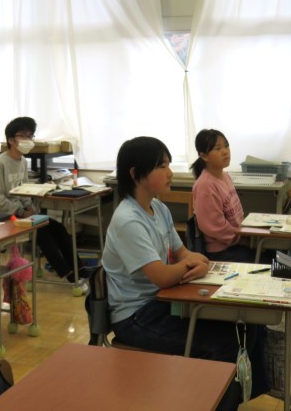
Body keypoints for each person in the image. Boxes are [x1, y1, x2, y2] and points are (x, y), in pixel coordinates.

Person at [103, 137, 268, 410]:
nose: (170, 173)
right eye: (162, 166)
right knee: (226, 343)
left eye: (169, 164)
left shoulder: (159, 208)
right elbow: (162, 276)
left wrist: (197, 263)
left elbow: (182, 254)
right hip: (136, 315)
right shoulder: (128, 221)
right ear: (135, 174)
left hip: (164, 300)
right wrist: (193, 265)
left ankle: (237, 396)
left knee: (246, 325)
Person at [0, 116, 88, 288]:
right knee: (41, 233)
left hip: (20, 215)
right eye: (22, 135)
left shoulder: (22, 161)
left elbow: (24, 191)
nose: (28, 140)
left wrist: (30, 209)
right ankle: (69, 275)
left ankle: (81, 270)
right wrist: (22, 212)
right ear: (11, 140)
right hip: (3, 216)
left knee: (58, 228)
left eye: (30, 136)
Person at [190, 128, 260, 263]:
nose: (225, 152)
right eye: (218, 148)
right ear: (204, 156)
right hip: (221, 251)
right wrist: (244, 240)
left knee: (277, 253)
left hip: (237, 242)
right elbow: (215, 227)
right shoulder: (205, 185)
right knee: (271, 262)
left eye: (226, 146)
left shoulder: (225, 176)